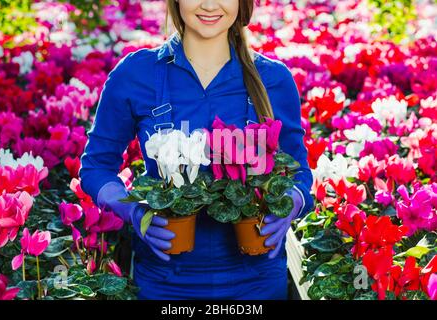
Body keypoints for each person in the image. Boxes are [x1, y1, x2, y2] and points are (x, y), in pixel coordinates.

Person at [79, 0, 314, 300]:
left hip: (256, 282)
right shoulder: (136, 75)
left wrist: (292, 201)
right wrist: (133, 211)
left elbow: (299, 173)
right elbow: (96, 167)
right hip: (164, 284)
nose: (209, 4)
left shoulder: (273, 79)